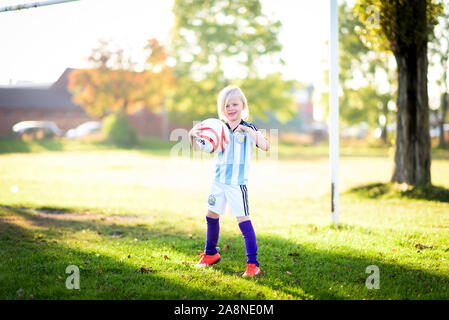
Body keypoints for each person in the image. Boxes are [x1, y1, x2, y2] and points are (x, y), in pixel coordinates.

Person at [188, 85, 269, 277]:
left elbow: (265, 146)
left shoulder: (249, 128)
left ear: (243, 106)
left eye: (234, 104)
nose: (231, 108)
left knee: (243, 221)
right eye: (226, 105)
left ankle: (253, 264)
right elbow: (199, 149)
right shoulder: (218, 129)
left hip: (236, 183)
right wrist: (192, 135)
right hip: (218, 181)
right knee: (211, 216)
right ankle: (210, 254)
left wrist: (248, 131)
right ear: (222, 109)